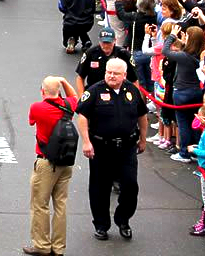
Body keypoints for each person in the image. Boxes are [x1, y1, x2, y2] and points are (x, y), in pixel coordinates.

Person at [75, 57, 149, 241]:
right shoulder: (94, 91)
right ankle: (101, 225)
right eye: (108, 72)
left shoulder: (132, 90)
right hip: (101, 148)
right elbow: (82, 116)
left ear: (124, 75)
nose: (111, 76)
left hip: (127, 148)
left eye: (116, 73)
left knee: (130, 185)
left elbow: (142, 116)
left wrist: (143, 139)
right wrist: (86, 142)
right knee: (100, 188)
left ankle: (123, 219)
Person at [25, 75, 78, 256]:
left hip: (46, 162)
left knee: (40, 204)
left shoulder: (37, 108)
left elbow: (31, 121)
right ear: (59, 91)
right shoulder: (68, 106)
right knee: (60, 205)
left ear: (42, 91)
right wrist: (63, 81)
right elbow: (75, 97)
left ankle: (41, 245)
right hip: (65, 162)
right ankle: (58, 247)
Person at [74, 28, 137, 94]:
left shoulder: (124, 54)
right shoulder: (90, 53)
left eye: (109, 42)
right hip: (94, 92)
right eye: (104, 42)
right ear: (99, 41)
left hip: (118, 93)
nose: (106, 45)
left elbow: (134, 80)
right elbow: (80, 77)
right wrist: (81, 98)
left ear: (115, 40)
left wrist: (135, 99)